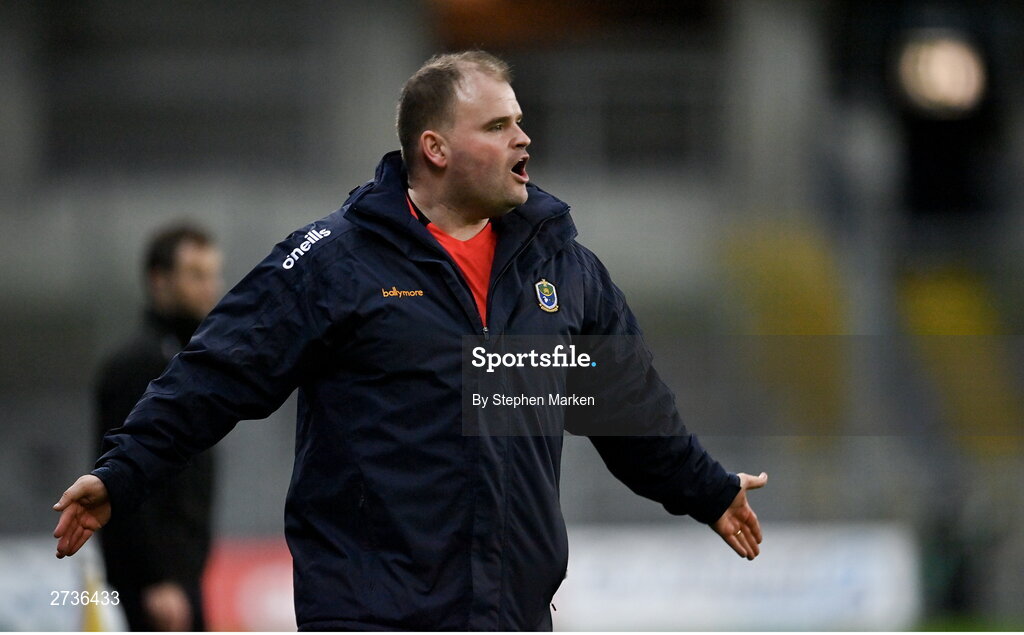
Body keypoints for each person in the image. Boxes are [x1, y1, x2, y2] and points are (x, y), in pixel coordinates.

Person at [54, 50, 767, 631]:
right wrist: (124, 471)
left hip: (510, 615)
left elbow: (627, 407)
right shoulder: (335, 261)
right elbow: (215, 371)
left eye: (520, 121)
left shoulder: (561, 267)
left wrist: (706, 488)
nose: (523, 138)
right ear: (435, 148)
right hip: (374, 612)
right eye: (496, 126)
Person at [92, 224, 223, 631]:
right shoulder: (137, 365)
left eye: (213, 274)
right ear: (159, 280)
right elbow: (121, 475)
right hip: (159, 583)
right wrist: (155, 579)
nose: (210, 287)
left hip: (184, 576)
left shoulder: (190, 358)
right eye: (196, 275)